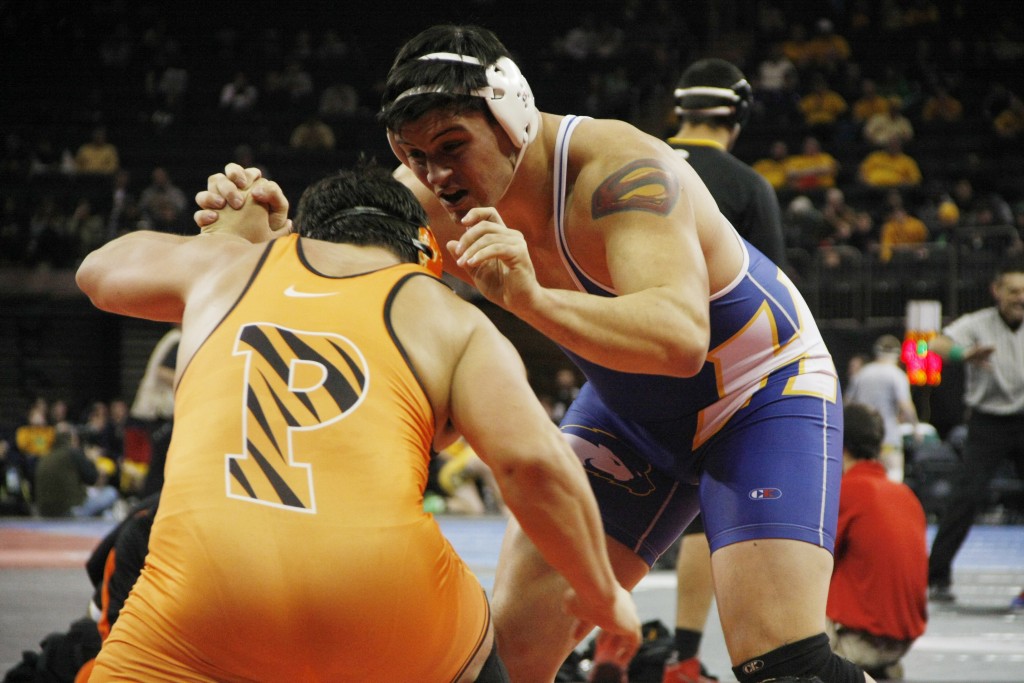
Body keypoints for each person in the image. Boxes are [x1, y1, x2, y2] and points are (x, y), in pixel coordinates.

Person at [202, 24, 868, 683]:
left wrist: (529, 300)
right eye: (412, 154)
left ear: (511, 116)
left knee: (784, 665)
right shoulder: (428, 198)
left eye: (451, 146)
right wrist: (268, 245)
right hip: (630, 412)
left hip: (757, 392)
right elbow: (334, 285)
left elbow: (678, 340)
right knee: (509, 656)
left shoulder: (622, 172)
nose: (437, 175)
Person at [79, 162, 640, 681]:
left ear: (303, 236)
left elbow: (98, 273)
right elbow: (532, 463)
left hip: (200, 601)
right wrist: (600, 591)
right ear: (425, 252)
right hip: (385, 606)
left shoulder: (226, 267)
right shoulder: (446, 315)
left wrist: (228, 238)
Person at [662, 56, 788, 683]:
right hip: (715, 369)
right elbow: (777, 297)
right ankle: (689, 657)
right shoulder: (746, 185)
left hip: (623, 359)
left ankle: (621, 639)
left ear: (677, 113)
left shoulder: (627, 162)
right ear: (735, 118)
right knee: (702, 515)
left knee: (609, 511)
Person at [926, 255, 1024, 605]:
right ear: (996, 291)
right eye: (1013, 290)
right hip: (989, 420)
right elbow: (935, 345)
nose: (1020, 297)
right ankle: (936, 576)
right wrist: (963, 355)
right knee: (965, 497)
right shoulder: (979, 323)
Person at [828, 402, 928, 681]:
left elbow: (810, 562)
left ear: (838, 443)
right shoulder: (905, 495)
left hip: (859, 640)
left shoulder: (848, 491)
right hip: (900, 640)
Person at [845, 334, 921, 482]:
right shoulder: (897, 375)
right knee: (894, 477)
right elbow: (905, 405)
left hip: (862, 441)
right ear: (897, 354)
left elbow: (847, 404)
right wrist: (915, 428)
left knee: (862, 480)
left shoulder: (861, 374)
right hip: (888, 438)